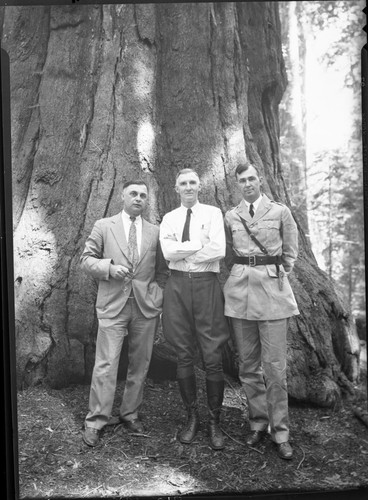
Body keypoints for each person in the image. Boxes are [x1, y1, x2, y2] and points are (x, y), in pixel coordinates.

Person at [80, 179, 167, 447]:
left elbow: (163, 270)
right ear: (122, 196)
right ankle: (96, 420)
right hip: (113, 305)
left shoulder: (155, 231)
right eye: (133, 194)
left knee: (140, 364)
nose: (138, 198)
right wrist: (108, 268)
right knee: (106, 364)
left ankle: (130, 414)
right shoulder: (104, 226)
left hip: (145, 307)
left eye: (143, 195)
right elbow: (86, 259)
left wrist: (157, 295)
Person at [223, 162, 299, 460]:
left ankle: (280, 432)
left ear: (261, 180)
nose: (247, 184)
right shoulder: (231, 215)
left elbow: (291, 251)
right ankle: (257, 422)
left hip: (273, 294)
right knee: (248, 366)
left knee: (275, 369)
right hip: (240, 293)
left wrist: (277, 273)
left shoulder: (280, 211)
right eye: (242, 180)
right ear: (238, 184)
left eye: (252, 178)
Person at [159, 168, 230, 450]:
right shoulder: (169, 218)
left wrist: (183, 248)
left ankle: (214, 420)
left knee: (212, 354)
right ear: (176, 188)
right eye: (183, 183)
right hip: (177, 285)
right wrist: (199, 243)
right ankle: (192, 417)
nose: (188, 187)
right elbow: (167, 254)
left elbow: (219, 251)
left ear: (199, 186)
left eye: (193, 183)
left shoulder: (212, 213)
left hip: (206, 284)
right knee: (183, 353)